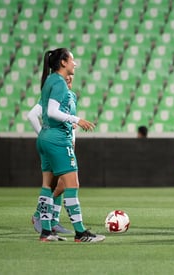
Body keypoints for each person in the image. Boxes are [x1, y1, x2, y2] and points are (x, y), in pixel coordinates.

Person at [35, 48, 105, 242]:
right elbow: (53, 110)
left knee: (47, 185)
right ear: (63, 62)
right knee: (72, 184)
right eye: (72, 60)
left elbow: (45, 112)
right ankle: (80, 233)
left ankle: (46, 231)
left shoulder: (49, 80)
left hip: (45, 136)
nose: (75, 64)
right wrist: (77, 119)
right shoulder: (58, 82)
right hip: (58, 138)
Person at [28, 75, 76, 235]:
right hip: (54, 144)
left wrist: (71, 142)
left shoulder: (72, 96)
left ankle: (52, 221)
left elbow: (70, 125)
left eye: (72, 76)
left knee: (60, 184)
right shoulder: (52, 96)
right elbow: (31, 115)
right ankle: (40, 216)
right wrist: (44, 135)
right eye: (67, 76)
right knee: (61, 184)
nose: (69, 78)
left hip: (65, 144)